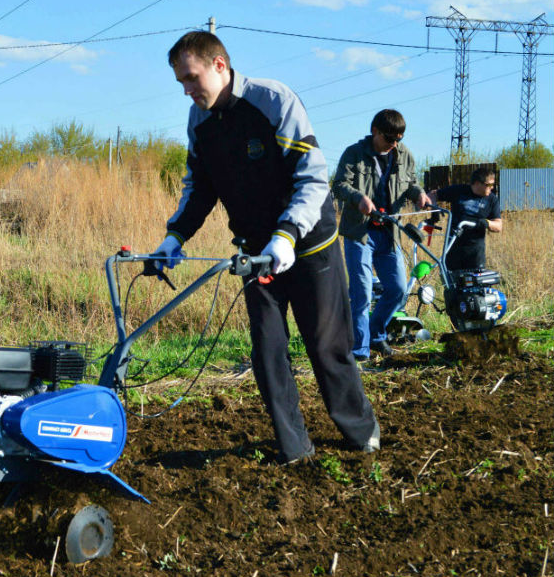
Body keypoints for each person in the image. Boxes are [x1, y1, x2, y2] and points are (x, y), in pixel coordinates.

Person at [152, 31, 379, 464]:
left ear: (219, 65)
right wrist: (174, 236)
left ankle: (360, 431)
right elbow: (199, 188)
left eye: (191, 77)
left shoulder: (273, 101)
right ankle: (295, 447)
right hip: (257, 252)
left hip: (309, 242)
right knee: (268, 350)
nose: (186, 89)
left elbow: (312, 178)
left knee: (325, 343)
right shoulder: (198, 122)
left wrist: (288, 233)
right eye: (181, 82)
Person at [332, 110, 431, 361]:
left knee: (398, 289)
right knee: (362, 292)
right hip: (360, 233)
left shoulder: (404, 155)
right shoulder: (354, 154)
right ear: (375, 131)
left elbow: (410, 183)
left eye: (399, 138)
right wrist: (358, 198)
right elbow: (340, 185)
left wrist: (419, 194)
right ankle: (360, 350)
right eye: (389, 138)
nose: (394, 144)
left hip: (389, 232)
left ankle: (377, 334)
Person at [428, 167, 502, 271]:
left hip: (475, 253)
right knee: (452, 285)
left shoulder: (492, 199)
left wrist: (485, 223)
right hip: (452, 248)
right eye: (488, 185)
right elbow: (433, 195)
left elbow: (498, 226)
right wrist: (434, 210)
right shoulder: (459, 190)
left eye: (492, 185)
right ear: (477, 183)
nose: (492, 188)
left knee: (476, 285)